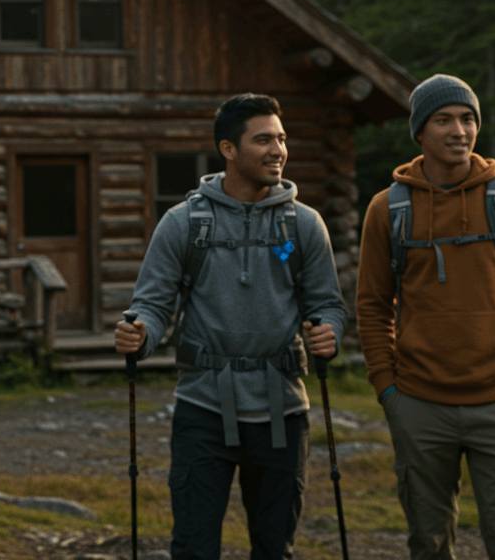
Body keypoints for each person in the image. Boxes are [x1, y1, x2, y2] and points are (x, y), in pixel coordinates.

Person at [115, 93, 345, 560]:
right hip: (203, 410)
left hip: (283, 410)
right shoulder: (183, 223)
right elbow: (153, 305)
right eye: (263, 140)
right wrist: (139, 334)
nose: (278, 149)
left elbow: (328, 304)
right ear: (229, 149)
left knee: (274, 548)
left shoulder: (303, 225)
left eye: (281, 138)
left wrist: (329, 331)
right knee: (194, 548)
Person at [357, 74, 495, 560]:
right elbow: (371, 304)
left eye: (468, 118)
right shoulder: (388, 209)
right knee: (426, 545)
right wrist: (387, 387)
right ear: (420, 133)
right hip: (418, 404)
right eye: (444, 119)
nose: (459, 130)